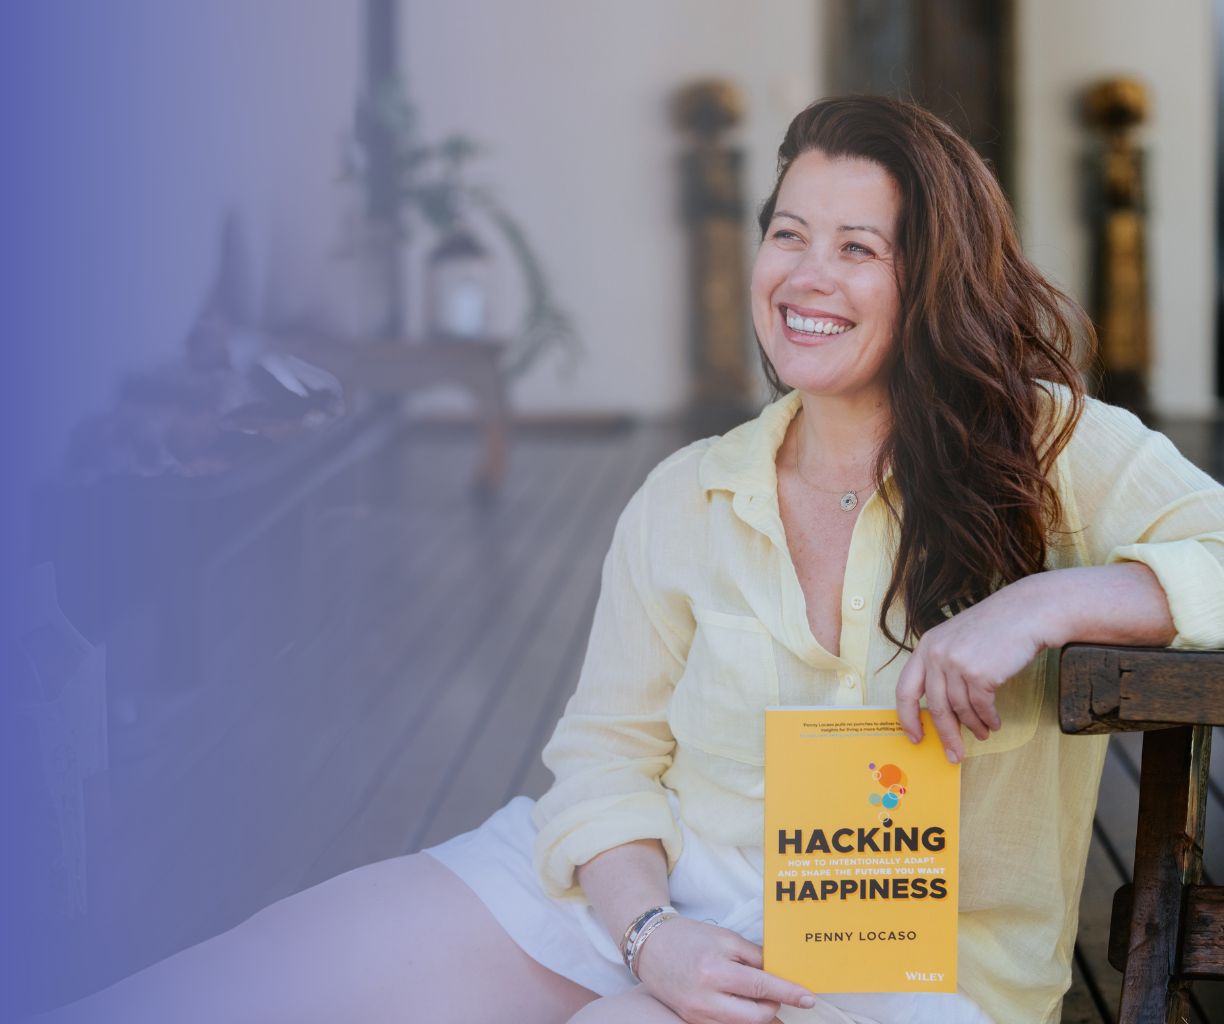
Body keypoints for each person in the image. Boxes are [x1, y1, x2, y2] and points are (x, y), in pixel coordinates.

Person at [33, 95, 1224, 1024]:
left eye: (859, 248)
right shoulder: (686, 496)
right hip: (647, 900)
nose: (806, 276)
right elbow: (604, 759)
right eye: (788, 234)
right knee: (230, 988)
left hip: (904, 967)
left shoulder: (1054, 443)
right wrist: (653, 930)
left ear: (932, 280)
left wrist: (1046, 601)